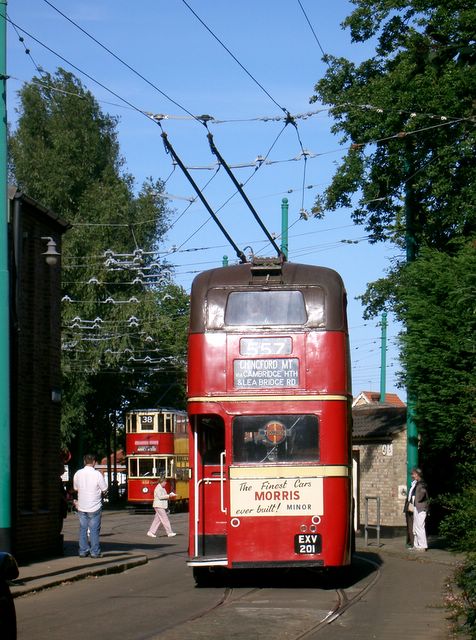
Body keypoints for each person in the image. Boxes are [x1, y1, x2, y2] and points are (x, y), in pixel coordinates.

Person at [73, 454, 107, 558]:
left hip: (82, 506)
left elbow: (75, 488)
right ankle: (94, 552)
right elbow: (104, 488)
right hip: (94, 506)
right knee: (94, 530)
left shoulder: (78, 473)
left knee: (83, 529)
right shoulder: (97, 474)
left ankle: (83, 551)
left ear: (84, 462)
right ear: (94, 462)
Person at [409, 467, 429, 551]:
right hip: (417, 507)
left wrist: (417, 499)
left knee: (420, 526)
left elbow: (423, 493)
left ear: (417, 474)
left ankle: (423, 546)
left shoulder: (422, 483)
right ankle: (416, 545)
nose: (412, 476)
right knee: (416, 526)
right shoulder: (416, 483)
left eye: (413, 474)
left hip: (421, 507)